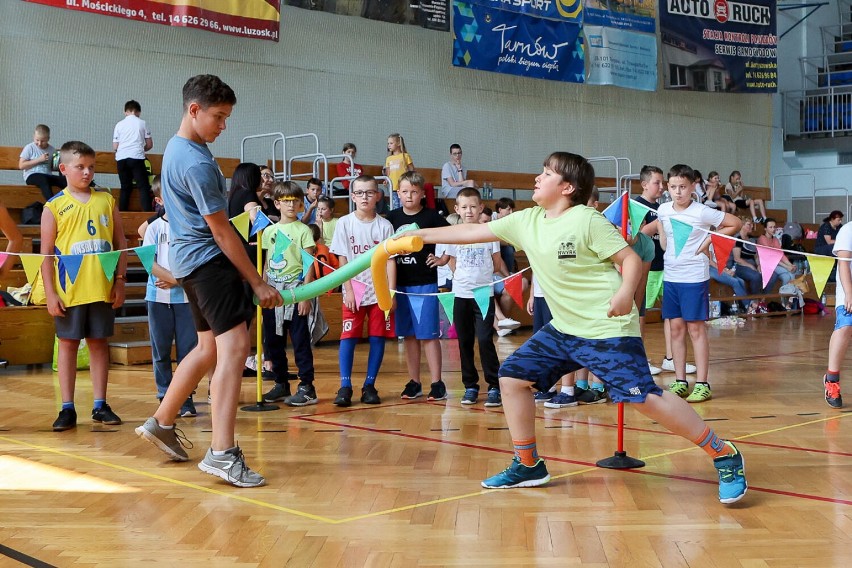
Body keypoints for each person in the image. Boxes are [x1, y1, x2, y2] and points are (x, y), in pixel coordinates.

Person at [401, 152, 748, 504]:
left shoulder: (586, 220)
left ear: (567, 187)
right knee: (512, 378)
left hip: (605, 326)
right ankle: (528, 464)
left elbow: (628, 259)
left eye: (546, 173)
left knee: (643, 398)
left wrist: (627, 292)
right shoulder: (527, 220)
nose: (537, 177)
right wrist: (417, 236)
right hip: (564, 327)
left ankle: (723, 452)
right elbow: (472, 230)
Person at [135, 74, 283, 488]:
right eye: (218, 117)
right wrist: (256, 282)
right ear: (194, 110)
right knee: (234, 348)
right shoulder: (197, 162)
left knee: (205, 349)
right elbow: (221, 232)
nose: (223, 126)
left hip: (189, 264)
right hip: (209, 264)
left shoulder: (179, 148)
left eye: (227, 117)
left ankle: (162, 421)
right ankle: (222, 452)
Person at [38, 141, 128, 431]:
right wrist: (51, 293)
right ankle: (67, 408)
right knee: (67, 345)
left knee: (100, 344)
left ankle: (100, 405)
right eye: (80, 167)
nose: (87, 172)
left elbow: (121, 243)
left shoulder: (107, 201)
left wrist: (120, 281)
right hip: (69, 291)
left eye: (91, 167)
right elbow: (46, 255)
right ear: (63, 169)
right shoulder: (53, 207)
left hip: (102, 287)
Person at [655, 164, 742, 403]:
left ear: (693, 186)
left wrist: (708, 243)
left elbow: (734, 222)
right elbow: (665, 235)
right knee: (675, 329)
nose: (678, 192)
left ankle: (703, 383)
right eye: (673, 187)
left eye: (683, 187)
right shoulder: (663, 210)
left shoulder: (702, 211)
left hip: (694, 278)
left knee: (695, 329)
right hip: (671, 276)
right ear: (667, 187)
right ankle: (681, 381)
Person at [329, 175, 396, 406]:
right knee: (348, 336)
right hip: (354, 289)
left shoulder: (385, 226)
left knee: (377, 337)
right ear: (352, 196)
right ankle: (345, 385)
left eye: (369, 192)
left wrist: (391, 292)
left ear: (378, 195)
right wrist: (347, 290)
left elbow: (389, 261)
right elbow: (343, 260)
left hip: (378, 291)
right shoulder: (344, 223)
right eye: (359, 193)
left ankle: (370, 384)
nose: (364, 197)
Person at [387, 171, 450, 400]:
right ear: (398, 194)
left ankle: (437, 382)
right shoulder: (390, 219)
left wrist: (443, 259)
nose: (409, 196)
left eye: (414, 192)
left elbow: (451, 237)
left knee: (429, 336)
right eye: (405, 191)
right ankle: (414, 382)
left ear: (423, 194)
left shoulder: (432, 217)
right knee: (409, 336)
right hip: (400, 287)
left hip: (425, 284)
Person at [143, 176, 198, 417]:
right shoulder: (154, 228)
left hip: (185, 298)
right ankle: (165, 396)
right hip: (157, 298)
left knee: (188, 351)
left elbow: (195, 259)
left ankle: (185, 398)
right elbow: (148, 262)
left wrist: (177, 280)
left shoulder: (190, 226)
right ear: (159, 200)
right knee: (161, 349)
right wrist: (167, 276)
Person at [260, 181, 318, 406]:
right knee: (274, 341)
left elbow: (309, 263)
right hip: (274, 292)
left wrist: (305, 295)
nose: (292, 205)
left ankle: (307, 386)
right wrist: (263, 288)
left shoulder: (303, 230)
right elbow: (266, 264)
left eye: (296, 201)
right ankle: (281, 383)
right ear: (277, 204)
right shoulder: (269, 231)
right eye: (286, 201)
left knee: (300, 341)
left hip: (295, 291)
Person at [447, 187, 506, 407]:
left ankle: (494, 386)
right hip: (461, 294)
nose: (469, 211)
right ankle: (470, 386)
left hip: (483, 294)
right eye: (464, 207)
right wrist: (464, 280)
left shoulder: (489, 232)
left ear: (481, 207)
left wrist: (480, 281)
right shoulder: (452, 234)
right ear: (457, 209)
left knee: (484, 339)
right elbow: (452, 262)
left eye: (473, 206)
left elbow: (497, 263)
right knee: (464, 342)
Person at [635, 166, 667, 376]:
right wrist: (658, 222)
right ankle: (639, 359)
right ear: (645, 184)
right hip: (646, 268)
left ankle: (671, 358)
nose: (662, 187)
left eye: (663, 183)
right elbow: (636, 235)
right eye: (657, 183)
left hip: (666, 266)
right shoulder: (635, 205)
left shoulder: (664, 207)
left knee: (673, 315)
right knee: (640, 316)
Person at [823, 219, 852, 408]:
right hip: (848, 291)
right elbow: (843, 265)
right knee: (845, 327)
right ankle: (831, 380)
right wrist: (849, 293)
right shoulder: (848, 230)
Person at [113, 100, 154, 211]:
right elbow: (150, 144)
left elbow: (115, 146)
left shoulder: (119, 125)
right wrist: (142, 149)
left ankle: (123, 214)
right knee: (143, 187)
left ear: (125, 112)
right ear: (139, 112)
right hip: (137, 157)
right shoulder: (142, 123)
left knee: (125, 188)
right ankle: (147, 214)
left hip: (121, 159)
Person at [19, 124, 66, 201]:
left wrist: (59, 160)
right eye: (37, 140)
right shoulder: (29, 148)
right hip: (32, 175)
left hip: (47, 176)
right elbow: (21, 165)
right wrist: (39, 160)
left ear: (48, 139)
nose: (40, 143)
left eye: (43, 141)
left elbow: (55, 167)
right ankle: (52, 203)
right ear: (33, 136)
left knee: (65, 181)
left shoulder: (52, 150)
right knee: (43, 179)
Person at [757, 218, 797, 287]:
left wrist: (790, 265)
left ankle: (784, 296)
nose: (773, 229)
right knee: (790, 272)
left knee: (786, 277)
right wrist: (787, 267)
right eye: (770, 227)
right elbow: (771, 257)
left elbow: (781, 255)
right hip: (766, 264)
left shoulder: (775, 239)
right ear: (765, 229)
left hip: (776, 264)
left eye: (774, 227)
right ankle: (790, 295)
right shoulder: (762, 239)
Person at [383, 133, 414, 209]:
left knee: (403, 204)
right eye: (388, 143)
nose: (389, 145)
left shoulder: (405, 156)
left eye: (391, 143)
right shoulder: (388, 158)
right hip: (392, 186)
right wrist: (386, 180)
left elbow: (411, 170)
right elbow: (388, 171)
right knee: (394, 205)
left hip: (403, 186)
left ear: (398, 143)